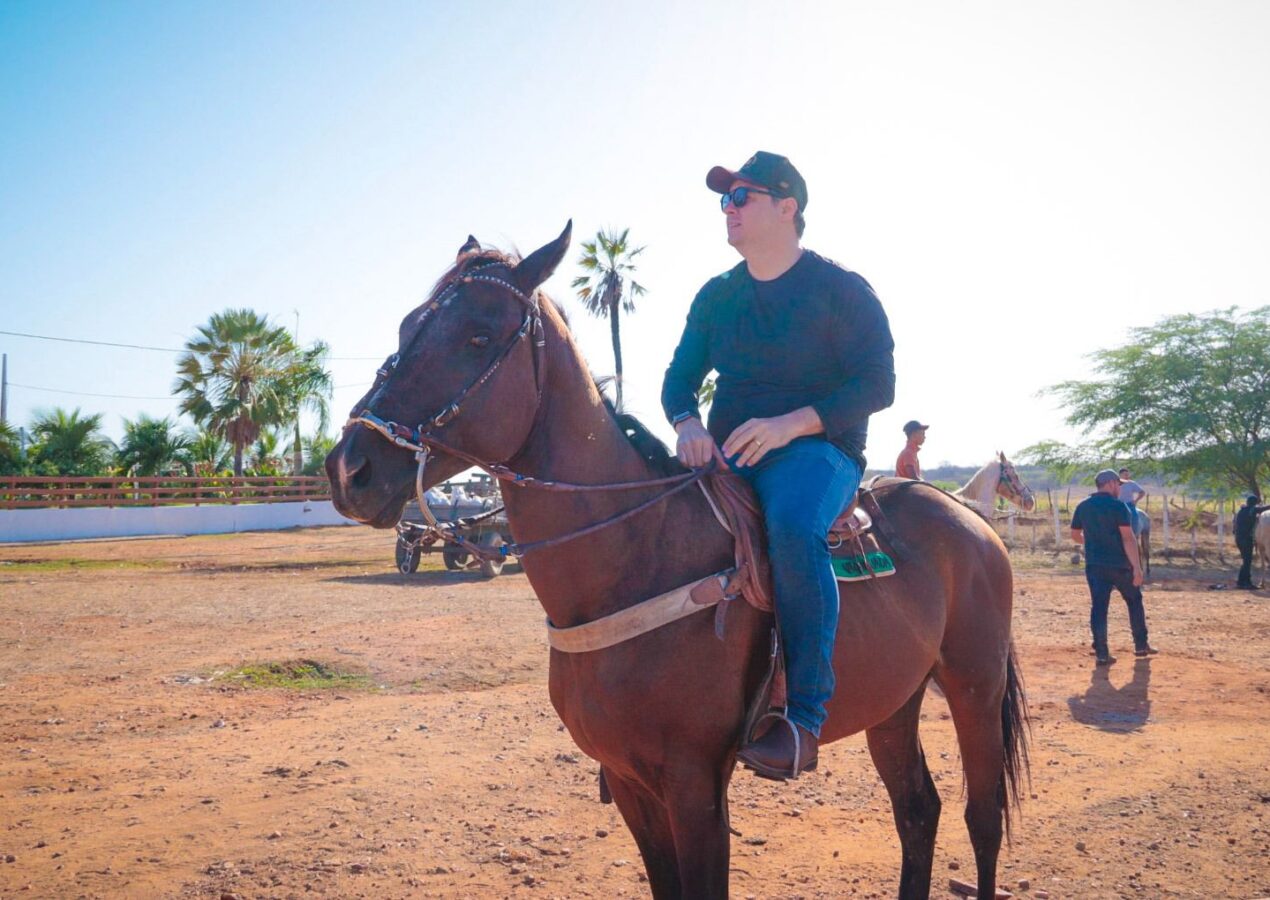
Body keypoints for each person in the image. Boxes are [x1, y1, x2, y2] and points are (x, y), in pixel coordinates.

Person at [662, 150, 895, 779]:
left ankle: (803, 719)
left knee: (792, 527)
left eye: (742, 198)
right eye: (724, 200)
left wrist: (791, 423)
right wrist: (687, 426)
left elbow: (878, 384)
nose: (728, 211)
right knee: (660, 526)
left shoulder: (840, 290)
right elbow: (679, 381)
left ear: (787, 207)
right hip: (727, 454)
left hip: (819, 451)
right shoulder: (717, 297)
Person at [1070, 469, 1158, 665]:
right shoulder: (1119, 507)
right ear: (1110, 484)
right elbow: (1128, 538)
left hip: (1095, 565)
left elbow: (1075, 536)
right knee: (1134, 601)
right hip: (1121, 565)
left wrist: (1093, 542)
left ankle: (1102, 653)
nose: (1120, 488)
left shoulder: (1083, 506)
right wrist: (1137, 567)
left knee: (1099, 608)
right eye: (1118, 484)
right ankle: (1141, 645)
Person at [1234, 494, 1270, 589]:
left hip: (1239, 538)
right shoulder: (1252, 509)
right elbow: (1263, 509)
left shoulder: (1242, 510)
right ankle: (1245, 583)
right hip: (1246, 539)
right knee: (1247, 561)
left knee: (1246, 561)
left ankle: (1242, 581)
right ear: (1254, 503)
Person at [1117, 467, 1147, 534]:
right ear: (1120, 475)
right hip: (1117, 505)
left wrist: (1135, 500)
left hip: (1129, 504)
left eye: (1128, 475)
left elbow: (1142, 492)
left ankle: (1134, 533)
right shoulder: (1115, 483)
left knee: (1134, 516)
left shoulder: (1131, 483)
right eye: (1125, 475)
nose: (1127, 476)